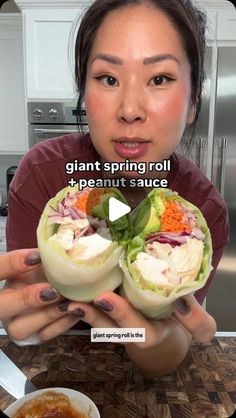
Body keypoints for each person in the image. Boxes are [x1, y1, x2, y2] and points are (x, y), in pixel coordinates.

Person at [3, 0, 229, 376]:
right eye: (108, 78)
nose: (129, 108)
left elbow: (169, 349)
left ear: (193, 104)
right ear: (83, 95)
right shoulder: (42, 176)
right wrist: (23, 322)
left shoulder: (205, 210)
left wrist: (157, 339)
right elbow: (24, 328)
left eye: (159, 78)